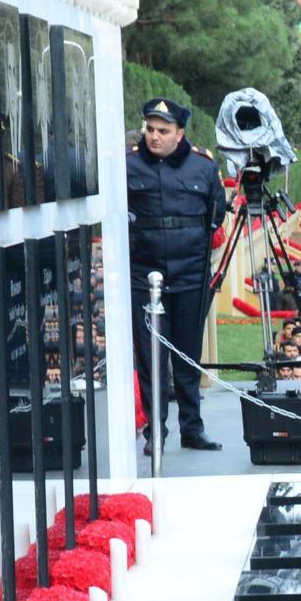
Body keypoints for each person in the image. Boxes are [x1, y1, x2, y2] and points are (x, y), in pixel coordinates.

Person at [126, 96, 226, 452]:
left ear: (180, 133)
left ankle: (192, 428)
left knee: (186, 354)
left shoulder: (202, 168)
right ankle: (156, 431)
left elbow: (218, 212)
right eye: (150, 129)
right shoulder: (129, 165)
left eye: (163, 131)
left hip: (190, 275)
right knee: (150, 357)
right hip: (144, 275)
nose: (154, 136)